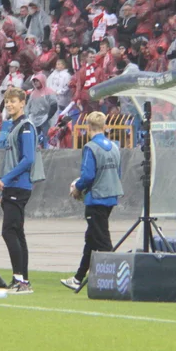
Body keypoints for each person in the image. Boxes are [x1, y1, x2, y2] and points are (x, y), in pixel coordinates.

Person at [61, 112, 122, 291]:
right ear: (104, 126)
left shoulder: (90, 147)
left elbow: (88, 175)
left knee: (101, 239)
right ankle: (78, 278)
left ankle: (116, 279)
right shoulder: (114, 146)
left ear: (88, 128)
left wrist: (77, 188)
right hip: (111, 195)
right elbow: (118, 173)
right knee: (91, 238)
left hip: (96, 198)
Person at [0, 87, 44, 293]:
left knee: (9, 231)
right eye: (7, 101)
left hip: (18, 184)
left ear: (22, 103)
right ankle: (22, 279)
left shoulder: (26, 126)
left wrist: (5, 179)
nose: (9, 104)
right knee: (17, 232)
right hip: (12, 186)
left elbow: (28, 159)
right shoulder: (13, 125)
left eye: (13, 101)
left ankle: (20, 280)